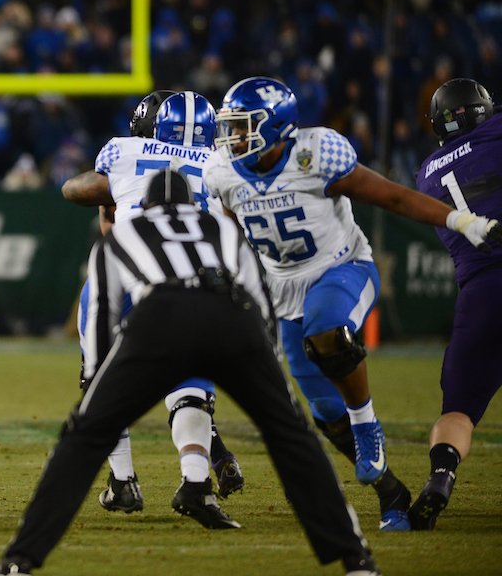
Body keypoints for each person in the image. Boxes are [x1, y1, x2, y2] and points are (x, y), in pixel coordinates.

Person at [0, 171, 383, 576]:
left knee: (83, 438)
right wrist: (265, 376)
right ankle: (356, 558)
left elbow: (102, 308)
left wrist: (96, 387)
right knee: (292, 436)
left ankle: (19, 562)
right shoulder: (222, 229)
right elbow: (260, 302)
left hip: (161, 317)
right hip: (233, 316)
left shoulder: (125, 234)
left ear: (145, 205)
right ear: (193, 204)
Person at [203, 77, 502, 532]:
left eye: (244, 127)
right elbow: (230, 233)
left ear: (277, 126)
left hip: (342, 268)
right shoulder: (221, 171)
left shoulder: (316, 152)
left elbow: (392, 196)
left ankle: (368, 426)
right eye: (232, 128)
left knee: (327, 334)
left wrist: (461, 220)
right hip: (285, 290)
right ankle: (390, 493)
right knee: (324, 411)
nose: (234, 138)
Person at [61, 90, 245, 524]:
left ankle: (123, 481)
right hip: (193, 281)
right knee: (192, 385)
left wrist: (115, 197)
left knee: (101, 380)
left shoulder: (125, 152)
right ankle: (197, 480)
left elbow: (76, 190)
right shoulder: (225, 165)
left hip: (124, 273)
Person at [410, 79, 502, 529]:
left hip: (479, 296)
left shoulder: (425, 174)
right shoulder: (496, 132)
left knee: (458, 411)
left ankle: (441, 476)